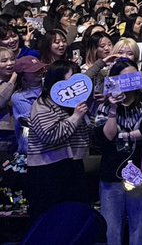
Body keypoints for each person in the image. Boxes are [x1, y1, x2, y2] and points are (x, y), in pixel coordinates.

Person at [92, 60, 142, 245]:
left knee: (139, 227)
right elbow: (107, 136)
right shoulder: (105, 106)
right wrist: (113, 108)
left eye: (133, 76)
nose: (129, 81)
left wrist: (124, 135)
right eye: (125, 77)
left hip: (138, 172)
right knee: (111, 229)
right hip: (111, 174)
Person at [25, 59, 91, 220]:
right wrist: (75, 117)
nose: (75, 85)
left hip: (73, 164)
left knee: (75, 216)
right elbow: (50, 136)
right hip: (47, 169)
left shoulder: (74, 103)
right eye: (71, 79)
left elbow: (88, 130)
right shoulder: (42, 105)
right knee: (49, 220)